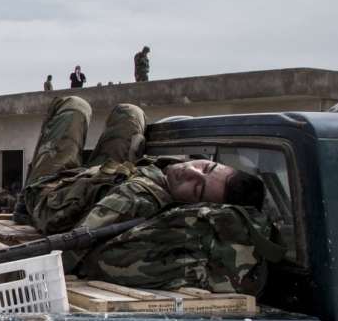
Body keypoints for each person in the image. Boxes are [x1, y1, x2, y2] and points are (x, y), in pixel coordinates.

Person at [23, 96, 266, 236]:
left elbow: (77, 239)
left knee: (75, 107)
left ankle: (24, 201)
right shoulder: (168, 173)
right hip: (95, 179)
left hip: (50, 195)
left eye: (197, 188)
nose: (191, 171)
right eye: (207, 167)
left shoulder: (138, 203)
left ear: (191, 207)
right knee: (131, 112)